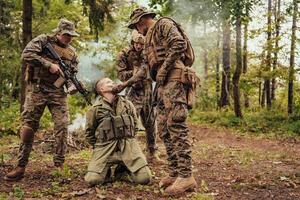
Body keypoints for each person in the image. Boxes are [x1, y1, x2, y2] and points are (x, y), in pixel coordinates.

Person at [127, 7, 198, 195]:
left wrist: (164, 69)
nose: (136, 29)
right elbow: (144, 69)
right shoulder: (149, 38)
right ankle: (175, 172)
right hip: (162, 85)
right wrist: (123, 85)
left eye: (135, 25)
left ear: (141, 20)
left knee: (176, 125)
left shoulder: (163, 24)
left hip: (173, 80)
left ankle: (186, 175)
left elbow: (178, 44)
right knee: (164, 129)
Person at [4, 19, 80, 181]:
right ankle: (21, 166)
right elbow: (26, 54)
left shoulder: (72, 52)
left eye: (71, 35)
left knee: (62, 126)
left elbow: (71, 72)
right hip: (37, 90)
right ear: (58, 32)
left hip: (58, 93)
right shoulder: (43, 41)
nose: (69, 38)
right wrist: (48, 64)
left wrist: (71, 83)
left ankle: (59, 165)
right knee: (28, 128)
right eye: (66, 35)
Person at [84, 77, 152, 186]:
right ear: (101, 89)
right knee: (92, 180)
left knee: (145, 178)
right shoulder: (95, 109)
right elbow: (89, 133)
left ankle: (123, 169)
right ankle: (105, 170)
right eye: (108, 82)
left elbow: (134, 126)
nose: (112, 83)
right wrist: (100, 147)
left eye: (112, 81)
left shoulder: (128, 104)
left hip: (128, 148)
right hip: (106, 150)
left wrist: (129, 142)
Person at [115, 30, 161, 164]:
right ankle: (129, 154)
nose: (139, 47)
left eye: (142, 44)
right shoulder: (124, 54)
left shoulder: (148, 52)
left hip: (148, 90)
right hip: (132, 91)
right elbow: (120, 75)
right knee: (130, 122)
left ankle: (152, 153)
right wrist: (133, 73)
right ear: (132, 42)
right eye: (137, 44)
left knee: (151, 123)